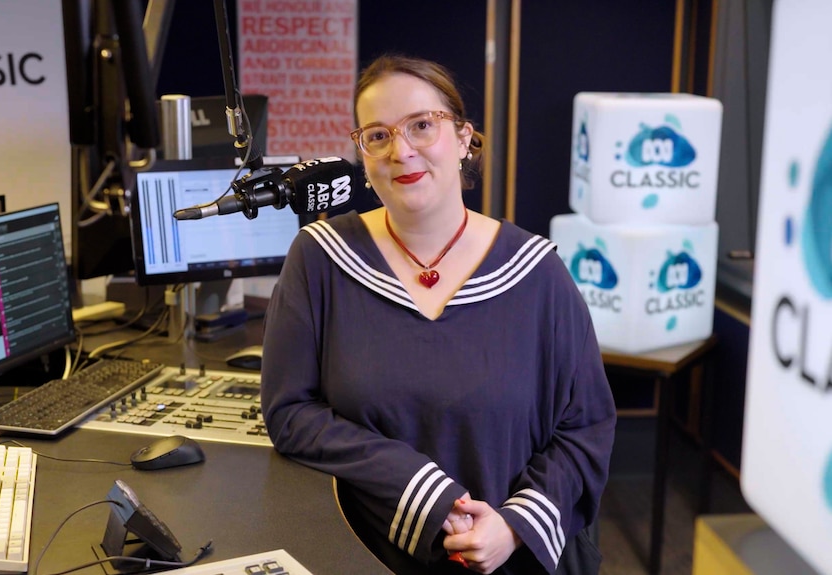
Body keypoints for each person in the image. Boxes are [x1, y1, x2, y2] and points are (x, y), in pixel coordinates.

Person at [260, 54, 616, 574]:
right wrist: (421, 492)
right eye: (377, 136)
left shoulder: (537, 274)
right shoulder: (319, 258)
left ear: (464, 137)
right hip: (369, 554)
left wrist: (514, 526)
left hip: (511, 561)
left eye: (422, 125)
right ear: (361, 153)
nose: (401, 151)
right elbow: (290, 412)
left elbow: (586, 429)